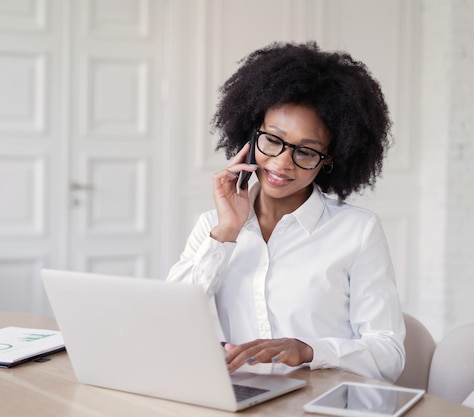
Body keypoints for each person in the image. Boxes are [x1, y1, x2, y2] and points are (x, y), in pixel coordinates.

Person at [166, 41, 405, 383]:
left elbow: (389, 356)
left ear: (329, 160)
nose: (281, 163)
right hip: (239, 398)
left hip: (318, 402)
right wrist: (226, 232)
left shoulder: (358, 231)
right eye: (273, 140)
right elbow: (170, 318)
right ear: (252, 134)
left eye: (306, 152)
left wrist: (308, 350)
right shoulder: (214, 226)